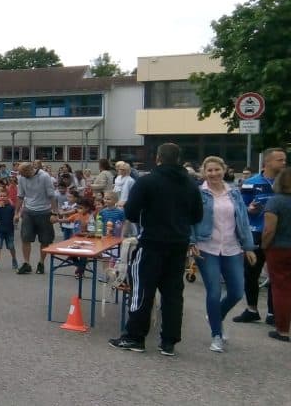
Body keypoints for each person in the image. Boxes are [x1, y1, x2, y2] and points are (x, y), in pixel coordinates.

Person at [109, 143, 203, 356]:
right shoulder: (190, 183)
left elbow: (131, 212)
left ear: (158, 158)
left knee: (142, 290)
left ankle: (135, 337)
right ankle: (169, 341)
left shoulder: (147, 181)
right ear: (178, 159)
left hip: (151, 242)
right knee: (173, 293)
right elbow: (197, 215)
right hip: (178, 243)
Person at [191, 156, 255, 352]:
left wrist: (248, 246)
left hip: (232, 247)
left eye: (217, 169)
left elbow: (243, 220)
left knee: (237, 291)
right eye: (209, 170)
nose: (213, 173)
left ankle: (215, 316)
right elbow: (189, 218)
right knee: (214, 291)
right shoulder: (198, 193)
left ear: (224, 170)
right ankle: (216, 335)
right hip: (206, 246)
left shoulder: (234, 192)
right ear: (204, 173)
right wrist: (191, 242)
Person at [233, 147, 287, 325]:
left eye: (284, 159)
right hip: (255, 232)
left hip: (279, 234)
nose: (284, 163)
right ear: (267, 162)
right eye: (280, 160)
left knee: (276, 275)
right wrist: (249, 209)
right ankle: (251, 309)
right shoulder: (251, 182)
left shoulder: (286, 183)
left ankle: (273, 312)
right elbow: (240, 206)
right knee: (251, 273)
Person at [262, 167, 291, 342]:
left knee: (281, 289)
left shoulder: (275, 202)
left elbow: (269, 230)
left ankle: (283, 330)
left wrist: (264, 246)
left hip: (279, 248)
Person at [14, 162, 57, 275]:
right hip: (28, 211)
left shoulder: (44, 176)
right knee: (25, 238)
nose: (21, 176)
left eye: (22, 173)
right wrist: (16, 213)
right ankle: (26, 263)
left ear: (29, 169)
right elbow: (20, 196)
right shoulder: (22, 178)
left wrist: (54, 213)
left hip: (44, 212)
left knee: (45, 240)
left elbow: (51, 196)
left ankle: (41, 263)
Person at [0, 193, 18, 272]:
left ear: (7, 197)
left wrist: (16, 218)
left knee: (11, 247)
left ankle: (14, 259)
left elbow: (15, 217)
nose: (2, 197)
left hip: (9, 230)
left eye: (4, 196)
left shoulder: (11, 207)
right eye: (1, 196)